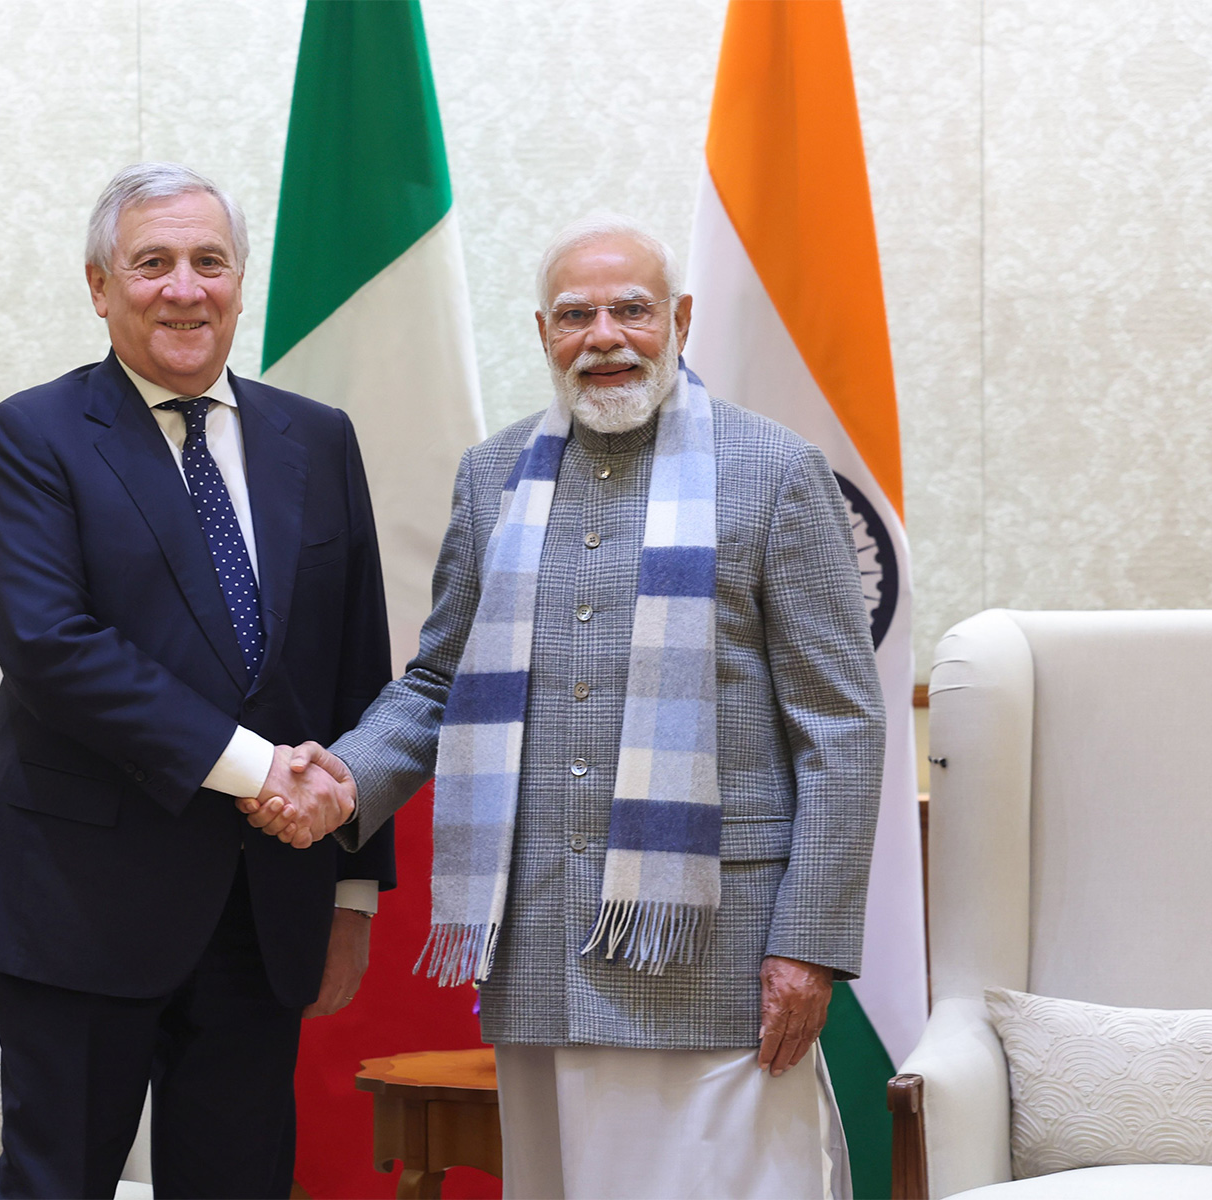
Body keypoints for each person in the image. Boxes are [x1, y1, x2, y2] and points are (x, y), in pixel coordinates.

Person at [244, 215, 884, 1199]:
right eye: (576, 315)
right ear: (544, 332)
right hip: (541, 942)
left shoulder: (774, 473)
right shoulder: (493, 475)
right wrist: (341, 778)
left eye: (631, 309)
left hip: (717, 952)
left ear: (677, 318)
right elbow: (437, 687)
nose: (606, 336)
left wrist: (809, 948)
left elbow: (841, 729)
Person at [0, 162, 391, 1200]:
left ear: (242, 280)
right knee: (55, 1184)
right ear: (100, 287)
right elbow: (51, 646)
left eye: (209, 261)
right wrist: (258, 772)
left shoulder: (317, 437)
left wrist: (349, 886)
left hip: (267, 905)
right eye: (151, 263)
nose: (184, 288)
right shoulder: (34, 436)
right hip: (82, 903)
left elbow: (353, 664)